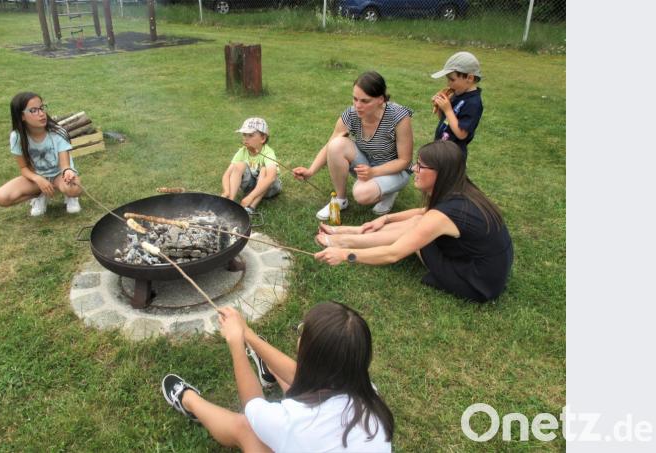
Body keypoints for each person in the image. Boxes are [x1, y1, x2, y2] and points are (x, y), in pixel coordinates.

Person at [161, 302, 394, 452]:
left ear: (310, 354)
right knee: (301, 385)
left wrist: (236, 344)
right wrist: (248, 334)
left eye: (304, 331)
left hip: (298, 433)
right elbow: (303, 377)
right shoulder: (367, 392)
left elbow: (253, 406)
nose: (300, 334)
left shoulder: (293, 421)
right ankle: (269, 368)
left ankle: (188, 400)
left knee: (246, 428)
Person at [314, 141, 513, 302]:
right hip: (489, 270)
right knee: (419, 219)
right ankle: (353, 233)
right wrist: (386, 218)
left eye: (421, 166)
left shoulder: (447, 213)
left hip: (476, 280)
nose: (415, 169)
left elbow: (393, 253)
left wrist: (344, 255)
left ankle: (344, 242)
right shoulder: (460, 188)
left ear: (441, 173)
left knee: (417, 229)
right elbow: (424, 211)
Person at [292, 71, 413, 221]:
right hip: (367, 166)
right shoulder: (351, 114)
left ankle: (389, 192)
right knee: (336, 145)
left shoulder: (398, 116)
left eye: (365, 101)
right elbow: (330, 146)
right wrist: (310, 171)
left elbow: (404, 161)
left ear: (381, 99)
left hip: (396, 170)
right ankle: (340, 200)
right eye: (355, 99)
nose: (357, 106)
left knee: (361, 194)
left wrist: (374, 172)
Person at [0, 92, 82, 216]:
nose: (41, 114)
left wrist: (68, 172)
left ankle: (70, 197)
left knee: (74, 189)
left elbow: (65, 166)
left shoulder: (57, 132)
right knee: (1, 197)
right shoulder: (17, 137)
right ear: (22, 116)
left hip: (59, 175)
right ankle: (40, 194)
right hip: (37, 178)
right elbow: (24, 168)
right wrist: (38, 180)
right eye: (33, 110)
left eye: (41, 108)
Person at [221, 117, 282, 215]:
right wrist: (226, 191)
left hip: (269, 188)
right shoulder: (242, 151)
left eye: (250, 135)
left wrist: (250, 196)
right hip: (250, 186)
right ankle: (231, 201)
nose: (246, 138)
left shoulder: (268, 152)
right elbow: (227, 174)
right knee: (239, 165)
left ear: (262, 138)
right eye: (244, 135)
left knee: (264, 170)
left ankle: (251, 206)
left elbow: (271, 178)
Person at [431, 51, 484, 158]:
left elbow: (461, 134)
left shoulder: (473, 103)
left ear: (469, 78)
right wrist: (441, 107)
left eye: (452, 79)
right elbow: (445, 120)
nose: (448, 83)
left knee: (447, 175)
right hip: (441, 148)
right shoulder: (457, 94)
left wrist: (448, 110)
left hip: (453, 156)